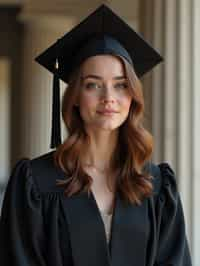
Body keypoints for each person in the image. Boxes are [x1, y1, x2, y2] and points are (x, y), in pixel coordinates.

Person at [0, 4, 192, 266]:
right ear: (76, 96)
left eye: (120, 85)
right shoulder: (35, 183)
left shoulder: (156, 186)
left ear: (132, 95)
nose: (108, 98)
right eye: (93, 85)